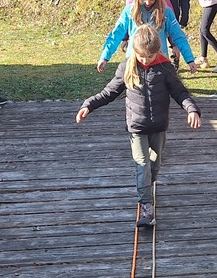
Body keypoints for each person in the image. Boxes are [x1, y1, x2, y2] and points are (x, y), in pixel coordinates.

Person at [77, 24, 202, 228]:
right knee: (142, 164)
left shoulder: (165, 67)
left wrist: (192, 109)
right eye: (142, 56)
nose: (145, 60)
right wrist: (88, 105)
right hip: (136, 126)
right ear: (135, 51)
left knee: (155, 164)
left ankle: (147, 185)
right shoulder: (127, 67)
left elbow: (180, 92)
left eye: (150, 57)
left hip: (159, 125)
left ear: (157, 52)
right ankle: (146, 206)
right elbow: (109, 93)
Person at [98, 0, 199, 73]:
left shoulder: (166, 12)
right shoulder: (129, 11)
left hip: (159, 60)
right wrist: (105, 57)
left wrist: (189, 59)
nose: (148, 3)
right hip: (135, 59)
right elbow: (116, 34)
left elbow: (178, 35)